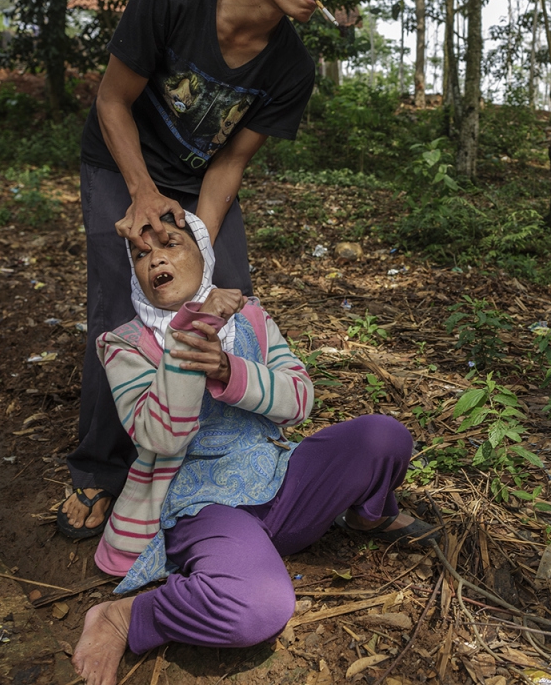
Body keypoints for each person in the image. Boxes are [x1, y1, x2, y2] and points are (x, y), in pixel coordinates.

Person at [60, 0, 363, 538]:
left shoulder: (292, 66)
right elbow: (112, 102)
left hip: (198, 180)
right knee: (122, 305)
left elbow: (228, 164)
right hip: (121, 161)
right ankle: (98, 469)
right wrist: (142, 196)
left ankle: (216, 461)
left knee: (230, 304)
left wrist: (196, 238)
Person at [71, 212, 436, 685]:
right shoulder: (125, 345)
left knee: (383, 436)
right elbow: (161, 437)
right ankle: (123, 617)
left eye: (172, 244)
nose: (155, 257)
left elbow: (300, 399)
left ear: (205, 258)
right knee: (256, 610)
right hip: (205, 505)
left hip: (282, 480)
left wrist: (229, 371)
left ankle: (368, 514)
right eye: (140, 255)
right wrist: (194, 333)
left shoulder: (252, 319)